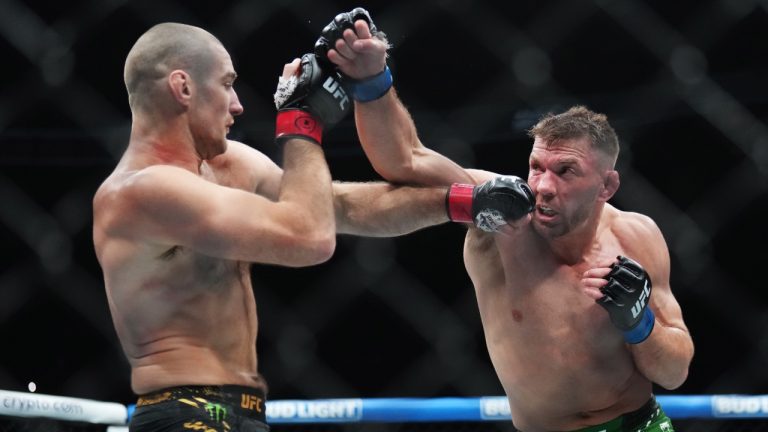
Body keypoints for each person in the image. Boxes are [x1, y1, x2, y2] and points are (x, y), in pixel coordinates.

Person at [93, 22, 524, 432]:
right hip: (181, 412)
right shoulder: (141, 192)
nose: (239, 105)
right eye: (227, 84)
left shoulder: (229, 165)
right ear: (183, 87)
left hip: (240, 408)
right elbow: (309, 237)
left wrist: (463, 202)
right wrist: (299, 122)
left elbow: (341, 207)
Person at [314, 8, 695, 432]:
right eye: (537, 167)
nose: (543, 186)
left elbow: (674, 371)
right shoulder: (501, 212)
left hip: (640, 424)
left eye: (565, 172)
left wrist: (640, 324)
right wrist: (371, 79)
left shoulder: (636, 235)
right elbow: (405, 158)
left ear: (606, 186)